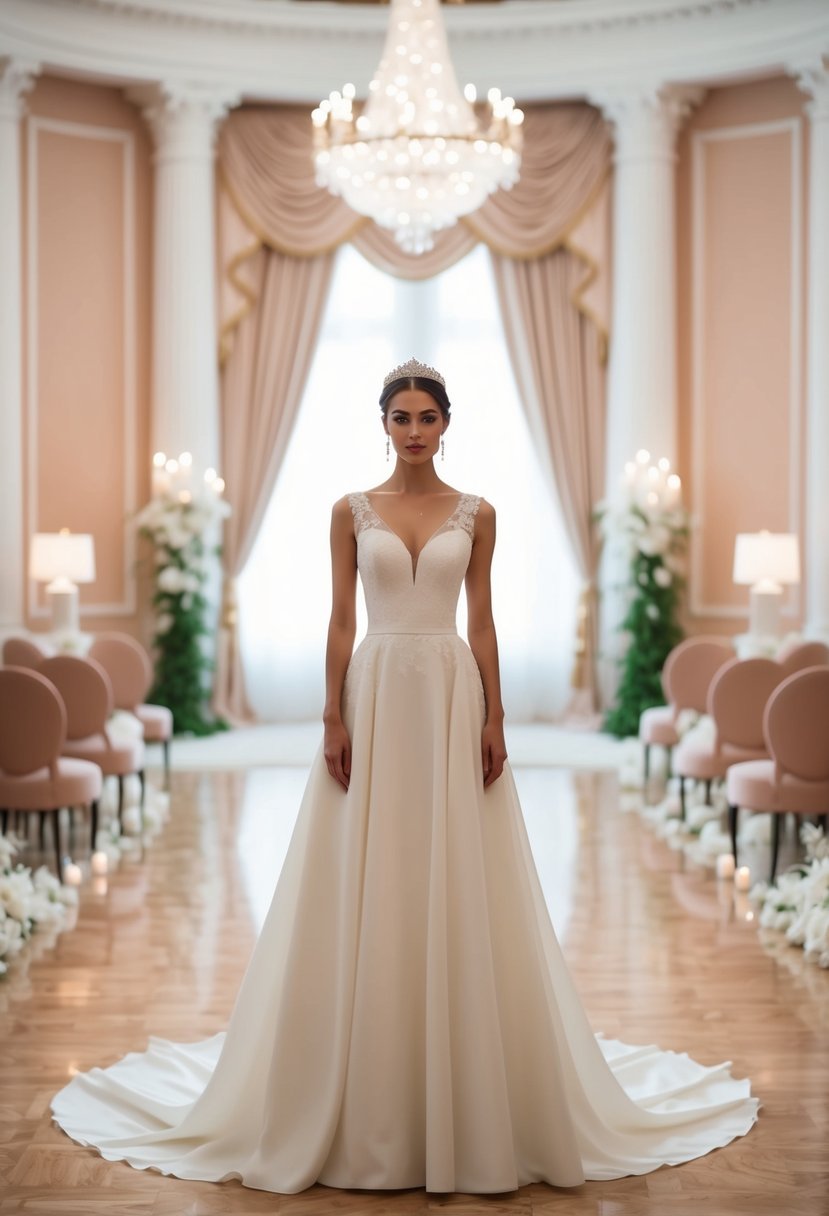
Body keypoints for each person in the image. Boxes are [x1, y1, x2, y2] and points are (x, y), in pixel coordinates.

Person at [51, 358, 758, 1194]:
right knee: (368, 866)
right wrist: (330, 713)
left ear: (445, 423)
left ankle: (465, 1081)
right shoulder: (350, 512)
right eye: (400, 417)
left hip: (449, 688)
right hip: (376, 690)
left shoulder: (477, 512)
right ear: (381, 424)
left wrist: (493, 715)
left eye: (426, 417)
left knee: (455, 863)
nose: (414, 430)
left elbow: (484, 621)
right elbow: (341, 617)